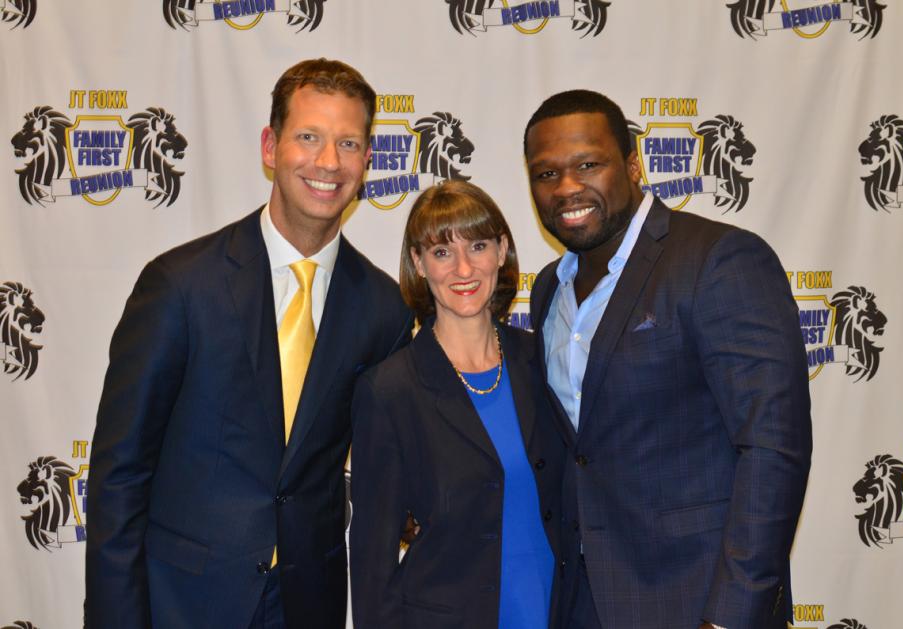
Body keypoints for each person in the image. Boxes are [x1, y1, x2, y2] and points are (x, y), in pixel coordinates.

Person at [84, 59, 413, 629]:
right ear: (269, 147)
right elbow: (119, 475)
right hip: (183, 603)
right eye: (308, 137)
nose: (328, 162)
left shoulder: (384, 308)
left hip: (309, 604)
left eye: (348, 143)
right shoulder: (181, 285)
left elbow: (391, 464)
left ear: (366, 161)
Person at [522, 89, 812, 629]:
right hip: (583, 602)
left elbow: (772, 448)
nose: (566, 187)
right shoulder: (547, 290)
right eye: (546, 173)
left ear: (633, 165)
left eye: (588, 164)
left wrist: (729, 617)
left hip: (695, 600)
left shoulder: (718, 261)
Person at [349, 180, 565, 629]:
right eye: (442, 252)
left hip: (557, 612)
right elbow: (373, 564)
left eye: (478, 246)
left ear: (501, 251)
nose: (463, 268)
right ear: (418, 263)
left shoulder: (541, 361)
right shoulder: (390, 390)